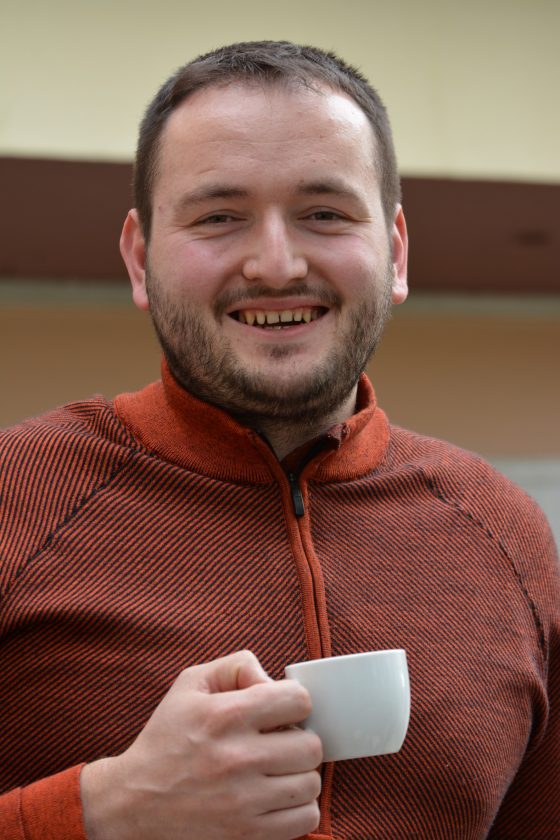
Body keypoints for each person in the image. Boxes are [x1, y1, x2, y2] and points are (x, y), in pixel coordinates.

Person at [0, 40, 558, 840]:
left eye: (324, 213)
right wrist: (100, 811)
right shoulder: (16, 495)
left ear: (396, 251)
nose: (275, 263)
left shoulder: (506, 535)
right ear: (140, 258)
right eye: (218, 217)